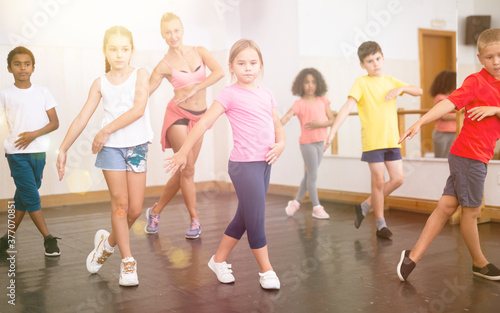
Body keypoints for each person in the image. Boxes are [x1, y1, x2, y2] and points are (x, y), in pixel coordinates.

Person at [165, 39, 285, 289]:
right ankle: (267, 270)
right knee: (256, 219)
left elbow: (276, 124)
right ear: (231, 67)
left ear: (260, 65)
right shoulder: (229, 94)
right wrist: (183, 152)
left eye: (253, 63)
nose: (248, 68)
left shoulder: (266, 93)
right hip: (243, 166)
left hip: (264, 164)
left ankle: (218, 260)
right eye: (241, 63)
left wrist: (281, 143)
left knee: (245, 216)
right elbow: (203, 123)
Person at [397, 28, 500, 282]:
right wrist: (421, 122)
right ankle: (479, 263)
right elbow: (449, 103)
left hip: (472, 156)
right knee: (471, 212)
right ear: (479, 58)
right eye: (489, 57)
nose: (496, 62)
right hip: (469, 156)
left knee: (445, 207)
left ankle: (411, 258)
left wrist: (494, 109)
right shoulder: (476, 82)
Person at [57, 26, 154, 286]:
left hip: (137, 147)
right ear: (105, 51)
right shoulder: (100, 82)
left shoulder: (141, 74)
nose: (119, 54)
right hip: (110, 148)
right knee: (120, 205)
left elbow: (138, 109)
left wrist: (105, 129)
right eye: (113, 49)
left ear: (132, 51)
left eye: (124, 49)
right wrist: (63, 148)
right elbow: (81, 118)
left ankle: (106, 244)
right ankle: (128, 263)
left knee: (135, 209)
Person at [324, 41, 422, 239]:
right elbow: (346, 107)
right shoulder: (361, 83)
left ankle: (366, 205)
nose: (375, 64)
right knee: (379, 181)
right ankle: (380, 225)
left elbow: (418, 91)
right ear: (363, 65)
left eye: (378, 59)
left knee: (398, 179)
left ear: (383, 58)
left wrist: (401, 90)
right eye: (370, 61)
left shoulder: (390, 81)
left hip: (392, 140)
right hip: (372, 141)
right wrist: (333, 131)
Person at [145, 12, 224, 239]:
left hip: (201, 118)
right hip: (177, 116)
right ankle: (195, 220)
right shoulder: (163, 65)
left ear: (182, 30)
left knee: (184, 171)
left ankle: (155, 210)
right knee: (188, 169)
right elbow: (146, 92)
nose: (173, 36)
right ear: (162, 35)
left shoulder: (200, 51)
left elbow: (219, 72)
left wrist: (197, 87)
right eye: (168, 32)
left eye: (176, 30)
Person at [0, 46, 60, 256]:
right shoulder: (5, 94)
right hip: (16, 153)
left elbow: (54, 123)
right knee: (32, 197)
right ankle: (48, 239)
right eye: (17, 64)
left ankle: (5, 240)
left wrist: (34, 134)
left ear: (33, 67)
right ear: (9, 68)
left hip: (38, 153)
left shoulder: (43, 92)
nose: (22, 68)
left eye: (27, 64)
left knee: (24, 197)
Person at [281, 68, 333, 219]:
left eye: (313, 82)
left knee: (309, 174)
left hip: (320, 142)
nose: (310, 85)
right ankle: (316, 207)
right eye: (306, 82)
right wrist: (275, 127)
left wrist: (319, 124)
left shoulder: (323, 101)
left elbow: (331, 120)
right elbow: (287, 117)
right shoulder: (299, 103)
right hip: (307, 144)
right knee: (313, 174)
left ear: (318, 84)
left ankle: (295, 203)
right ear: (301, 85)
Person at [430, 70, 457, 158]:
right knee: (441, 158)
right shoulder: (441, 98)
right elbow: (443, 116)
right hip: (442, 133)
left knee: (450, 157)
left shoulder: (450, 98)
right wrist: (459, 116)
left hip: (453, 132)